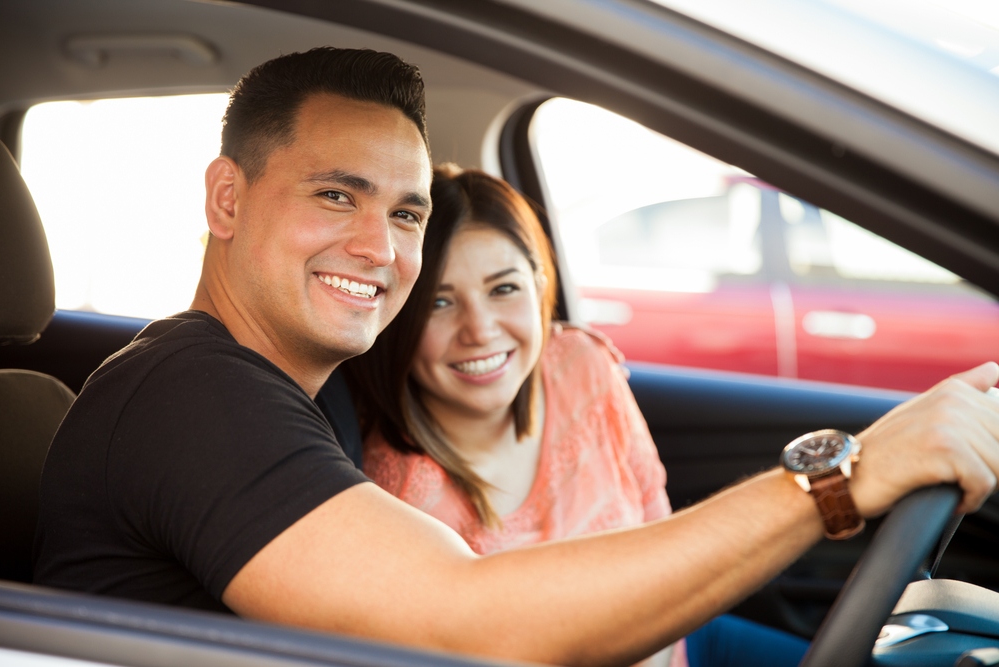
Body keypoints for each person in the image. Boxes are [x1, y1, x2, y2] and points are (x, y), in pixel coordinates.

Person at [33, 46, 999, 667]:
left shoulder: (294, 396)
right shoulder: (187, 393)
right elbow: (470, 624)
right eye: (337, 195)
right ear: (227, 200)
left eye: (404, 211)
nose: (382, 247)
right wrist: (845, 475)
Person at [343, 164, 809, 667]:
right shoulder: (395, 495)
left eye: (504, 289)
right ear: (398, 317)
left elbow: (656, 520)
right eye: (439, 302)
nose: (479, 330)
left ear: (541, 285)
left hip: (684, 639)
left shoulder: (581, 365)